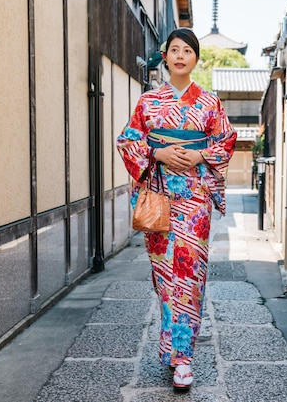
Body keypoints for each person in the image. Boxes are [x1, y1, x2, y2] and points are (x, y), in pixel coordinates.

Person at [116, 28, 236, 390]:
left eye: (188, 50)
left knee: (191, 275)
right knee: (166, 277)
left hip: (195, 200)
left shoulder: (210, 103)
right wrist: (157, 152)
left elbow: (227, 140)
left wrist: (200, 153)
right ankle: (173, 350)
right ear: (165, 57)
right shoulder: (148, 103)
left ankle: (183, 359)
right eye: (174, 50)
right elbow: (128, 141)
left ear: (196, 59)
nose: (180, 55)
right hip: (159, 198)